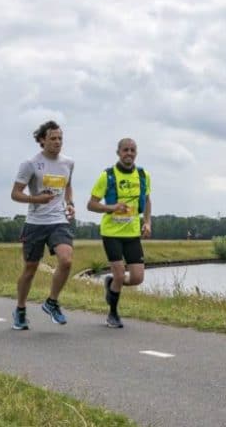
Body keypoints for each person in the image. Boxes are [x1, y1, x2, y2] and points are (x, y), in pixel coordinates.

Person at [10, 120, 75, 330]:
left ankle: (52, 302)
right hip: (35, 223)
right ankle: (20, 309)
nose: (57, 142)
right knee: (30, 269)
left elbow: (68, 186)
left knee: (66, 261)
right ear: (42, 141)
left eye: (60, 138)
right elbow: (15, 194)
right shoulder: (30, 164)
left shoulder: (68, 163)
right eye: (53, 138)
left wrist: (70, 203)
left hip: (58, 221)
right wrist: (37, 199)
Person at [87, 137, 152, 328]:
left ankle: (110, 284)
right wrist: (112, 207)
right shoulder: (107, 176)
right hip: (112, 233)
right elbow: (91, 204)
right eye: (125, 150)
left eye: (132, 150)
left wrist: (147, 222)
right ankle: (112, 314)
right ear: (118, 152)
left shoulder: (143, 175)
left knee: (137, 278)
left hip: (132, 234)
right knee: (119, 274)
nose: (129, 154)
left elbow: (147, 200)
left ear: (136, 153)